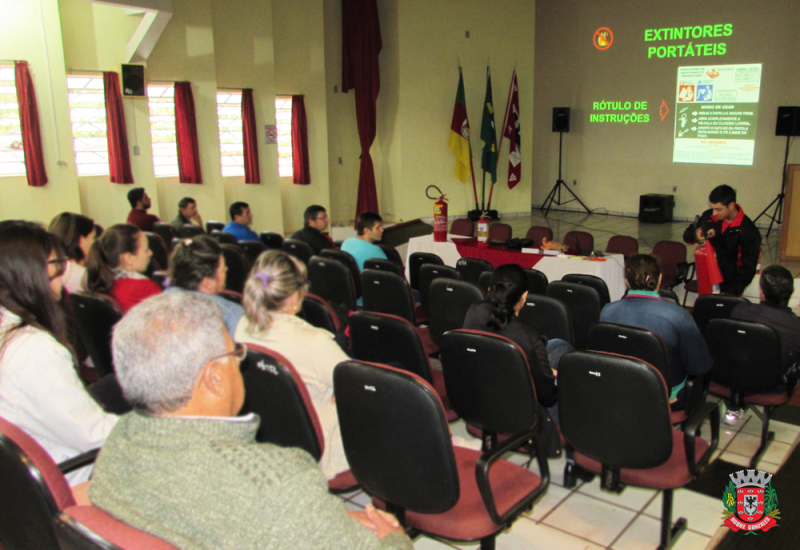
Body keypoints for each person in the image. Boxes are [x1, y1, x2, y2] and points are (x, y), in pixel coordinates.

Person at [88, 292, 411, 550]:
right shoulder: (276, 479)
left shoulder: (119, 442)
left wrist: (323, 520)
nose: (240, 362)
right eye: (235, 354)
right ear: (214, 378)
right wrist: (393, 537)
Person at [0, 221, 117, 485]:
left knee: (120, 384)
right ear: (27, 276)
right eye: (56, 268)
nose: (63, 276)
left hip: (27, 457)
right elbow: (96, 436)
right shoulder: (35, 350)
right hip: (71, 472)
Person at [235, 250, 351, 480]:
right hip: (317, 444)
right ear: (292, 297)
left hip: (268, 433)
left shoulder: (243, 324)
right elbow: (355, 388)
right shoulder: (314, 341)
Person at [600, 254, 712, 409]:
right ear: (659, 279)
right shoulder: (678, 316)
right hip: (665, 397)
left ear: (627, 281)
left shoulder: (607, 311)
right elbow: (700, 366)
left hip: (621, 388)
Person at [463, 264, 569, 418]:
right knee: (564, 353)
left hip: (475, 396)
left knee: (558, 345)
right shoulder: (530, 337)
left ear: (489, 290)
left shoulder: (474, 310)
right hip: (516, 413)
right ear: (524, 296)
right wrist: (546, 376)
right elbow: (548, 397)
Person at [725, 264, 800, 424]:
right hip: (771, 386)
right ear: (792, 292)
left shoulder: (739, 310)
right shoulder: (796, 327)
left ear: (762, 292)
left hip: (731, 378)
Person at [684, 184, 761, 295]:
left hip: (730, 286)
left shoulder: (748, 231)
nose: (714, 213)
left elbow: (748, 269)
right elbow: (687, 236)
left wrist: (730, 292)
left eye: (718, 209)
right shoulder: (710, 217)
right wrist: (696, 235)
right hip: (707, 279)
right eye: (713, 208)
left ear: (731, 205)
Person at [164, 235, 243, 335]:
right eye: (223, 269)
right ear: (208, 283)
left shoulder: (162, 298)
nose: (227, 269)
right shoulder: (232, 315)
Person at [86, 224, 161, 312]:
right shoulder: (145, 287)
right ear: (128, 258)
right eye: (146, 250)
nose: (150, 253)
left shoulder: (101, 280)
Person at [48, 212, 99, 293]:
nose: (96, 243)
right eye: (93, 238)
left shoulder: (49, 270)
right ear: (81, 240)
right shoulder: (85, 277)